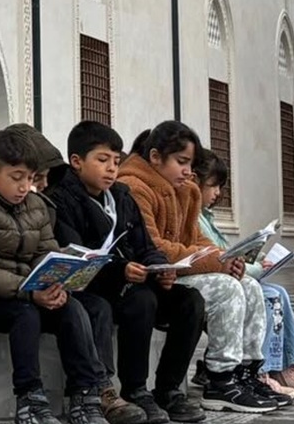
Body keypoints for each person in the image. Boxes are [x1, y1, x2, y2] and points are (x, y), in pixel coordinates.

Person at [45, 121, 206, 424]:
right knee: (141, 300)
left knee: (190, 301)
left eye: (116, 161)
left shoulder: (121, 196)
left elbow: (145, 244)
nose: (111, 169)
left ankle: (169, 388)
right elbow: (76, 254)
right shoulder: (61, 199)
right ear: (77, 162)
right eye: (102, 160)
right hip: (97, 286)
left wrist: (162, 267)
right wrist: (120, 270)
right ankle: (134, 389)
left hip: (133, 280)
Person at [118, 121, 282, 414]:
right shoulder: (134, 187)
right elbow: (156, 248)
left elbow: (196, 238)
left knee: (250, 286)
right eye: (181, 162)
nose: (187, 170)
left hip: (181, 271)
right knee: (226, 288)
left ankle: (246, 371)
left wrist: (228, 257)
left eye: (190, 163)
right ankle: (219, 379)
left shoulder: (185, 190)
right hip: (158, 277)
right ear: (155, 157)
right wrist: (216, 261)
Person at [0, 126, 109, 424]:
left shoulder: (36, 205)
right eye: (16, 178)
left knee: (72, 308)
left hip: (31, 291)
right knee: (26, 314)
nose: (25, 186)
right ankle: (30, 400)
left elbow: (46, 252)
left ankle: (84, 395)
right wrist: (29, 291)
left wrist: (58, 282)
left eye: (30, 178)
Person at [193, 149, 294, 402]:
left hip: (229, 272)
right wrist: (259, 267)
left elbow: (222, 253)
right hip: (219, 278)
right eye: (213, 186)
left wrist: (255, 258)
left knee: (277, 291)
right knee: (267, 294)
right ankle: (260, 370)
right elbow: (217, 259)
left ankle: (285, 367)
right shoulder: (193, 217)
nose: (217, 194)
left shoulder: (206, 216)